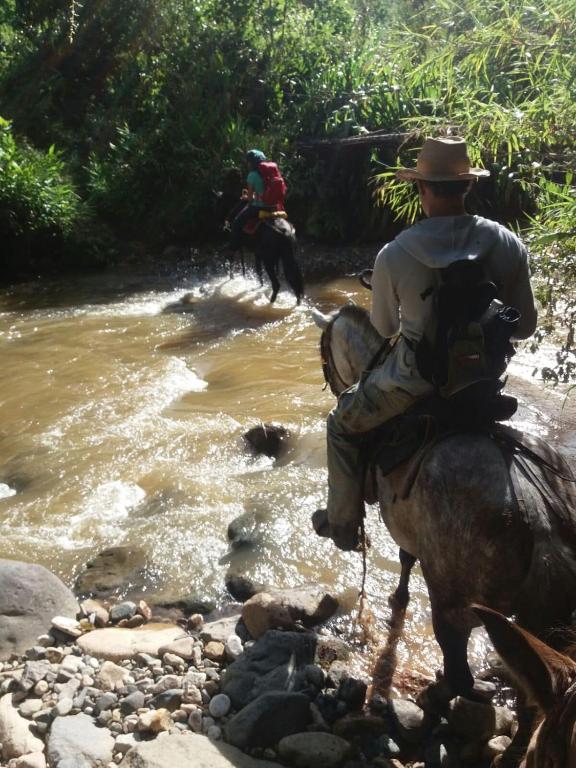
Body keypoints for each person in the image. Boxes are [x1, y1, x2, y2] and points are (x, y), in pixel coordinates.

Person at [321, 136, 538, 551]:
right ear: (468, 185)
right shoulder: (508, 243)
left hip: (415, 381)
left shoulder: (395, 254)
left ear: (421, 188)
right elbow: (524, 328)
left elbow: (385, 329)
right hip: (484, 379)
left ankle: (344, 527)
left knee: (340, 423)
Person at [227, 149, 270, 252]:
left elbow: (250, 199)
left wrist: (246, 197)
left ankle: (232, 249)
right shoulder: (268, 173)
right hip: (271, 206)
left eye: (248, 162)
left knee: (236, 223)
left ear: (252, 163)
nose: (247, 164)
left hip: (257, 207)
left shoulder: (252, 175)